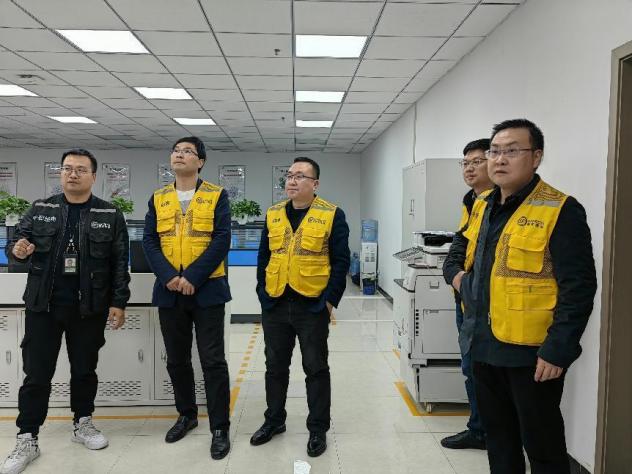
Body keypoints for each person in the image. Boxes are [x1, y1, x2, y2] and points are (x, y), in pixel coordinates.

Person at [443, 119, 597, 473]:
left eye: (512, 151)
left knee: (543, 446)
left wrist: (558, 349)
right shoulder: (482, 205)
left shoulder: (560, 209)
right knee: (499, 443)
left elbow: (579, 287)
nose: (499, 159)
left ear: (536, 157)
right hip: (483, 345)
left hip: (531, 354)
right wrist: (459, 280)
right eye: (495, 151)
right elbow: (463, 255)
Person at [1, 149, 130, 474]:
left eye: (80, 169)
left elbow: (119, 263)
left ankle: (82, 422)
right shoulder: (41, 209)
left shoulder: (109, 213)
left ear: (93, 176)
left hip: (89, 307)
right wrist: (17, 251)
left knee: (85, 370)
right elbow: (15, 246)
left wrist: (118, 302)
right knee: (36, 374)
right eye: (67, 168)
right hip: (43, 306)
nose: (73, 174)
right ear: (61, 173)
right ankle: (27, 437)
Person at [250, 157, 350, 457]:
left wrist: (329, 302)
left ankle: (318, 428)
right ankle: (274, 420)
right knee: (274, 367)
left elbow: (341, 261)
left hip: (312, 304)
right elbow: (264, 256)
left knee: (315, 368)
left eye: (300, 176)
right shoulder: (273, 214)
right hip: (276, 302)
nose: (292, 181)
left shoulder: (331, 214)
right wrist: (263, 293)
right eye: (289, 175)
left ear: (315, 184)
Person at [142, 137, 231, 460]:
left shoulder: (217, 195)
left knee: (212, 361)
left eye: (187, 151)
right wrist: (169, 276)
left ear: (201, 162)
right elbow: (149, 241)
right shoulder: (159, 198)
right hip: (169, 291)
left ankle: (219, 427)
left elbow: (222, 239)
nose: (180, 155)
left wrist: (192, 276)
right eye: (176, 151)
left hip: (207, 290)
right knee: (177, 359)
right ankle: (187, 414)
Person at [440, 138, 493, 451]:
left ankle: (488, 432)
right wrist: (455, 275)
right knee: (471, 367)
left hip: (486, 304)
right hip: (467, 300)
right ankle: (479, 428)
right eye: (466, 163)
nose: (470, 168)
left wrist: (463, 281)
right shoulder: (471, 201)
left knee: (482, 370)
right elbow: (460, 245)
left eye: (477, 161)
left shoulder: (497, 203)